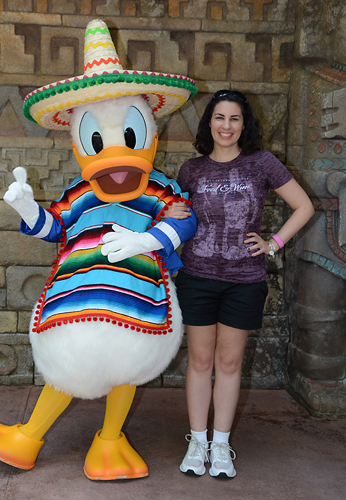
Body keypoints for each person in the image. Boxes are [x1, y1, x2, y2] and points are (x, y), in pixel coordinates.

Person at [166, 89, 314, 478]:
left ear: (244, 124)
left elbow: (304, 206)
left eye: (234, 119)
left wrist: (273, 243)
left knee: (229, 363)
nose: (226, 126)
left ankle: (220, 445)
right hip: (197, 277)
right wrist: (174, 210)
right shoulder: (191, 170)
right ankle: (197, 443)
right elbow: (181, 220)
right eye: (219, 118)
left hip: (244, 281)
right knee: (199, 361)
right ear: (209, 123)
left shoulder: (262, 163)